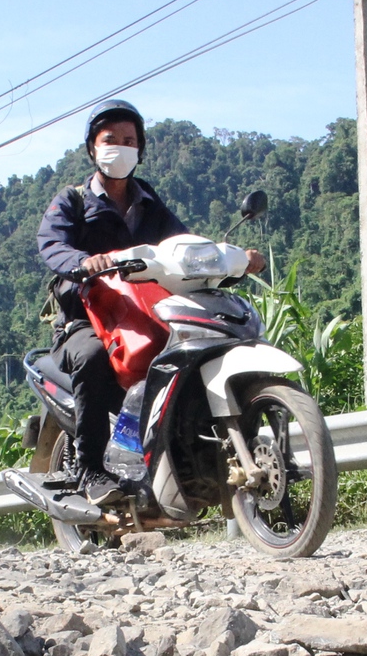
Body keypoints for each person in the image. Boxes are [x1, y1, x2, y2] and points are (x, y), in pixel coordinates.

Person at [36, 99, 263, 503]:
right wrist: (85, 263)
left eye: (129, 140)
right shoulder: (72, 200)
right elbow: (51, 244)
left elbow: (181, 244)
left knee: (197, 345)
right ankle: (89, 470)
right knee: (91, 357)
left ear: (140, 149)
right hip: (88, 317)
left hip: (143, 311)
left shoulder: (148, 201)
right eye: (111, 140)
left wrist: (235, 258)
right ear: (92, 147)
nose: (120, 148)